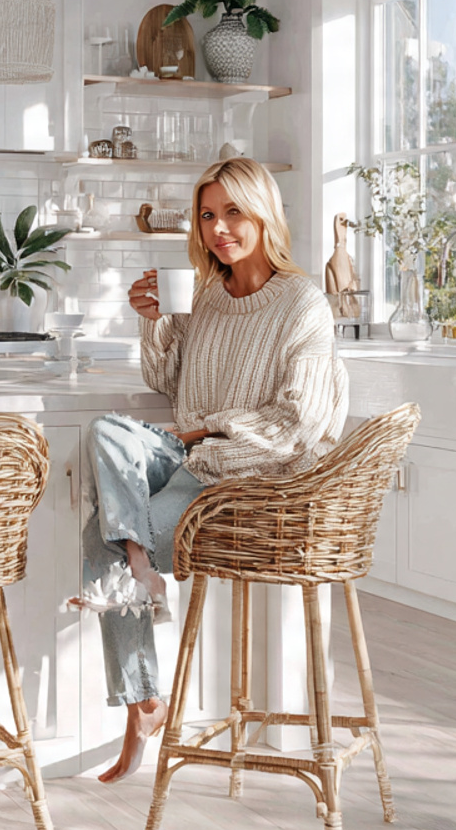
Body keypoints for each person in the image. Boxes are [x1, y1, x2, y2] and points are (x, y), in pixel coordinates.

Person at [73, 157, 348, 782]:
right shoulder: (205, 296)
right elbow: (168, 381)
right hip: (188, 461)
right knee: (105, 430)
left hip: (244, 481)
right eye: (207, 215)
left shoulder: (303, 303)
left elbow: (296, 421)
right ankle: (141, 570)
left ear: (262, 214)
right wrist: (155, 323)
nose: (218, 228)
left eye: (231, 212)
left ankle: (143, 701)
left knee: (101, 539)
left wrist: (202, 429)